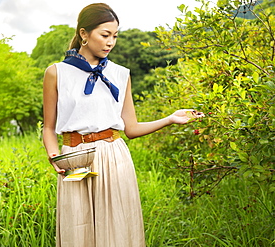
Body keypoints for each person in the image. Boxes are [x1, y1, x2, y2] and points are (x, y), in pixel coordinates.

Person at [42, 3, 204, 247]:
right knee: (78, 229)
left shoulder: (121, 74)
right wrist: (55, 157)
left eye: (115, 36)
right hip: (74, 158)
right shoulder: (56, 73)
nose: (110, 42)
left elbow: (131, 129)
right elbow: (48, 127)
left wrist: (170, 118)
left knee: (117, 231)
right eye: (104, 35)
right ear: (84, 34)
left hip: (113, 156)